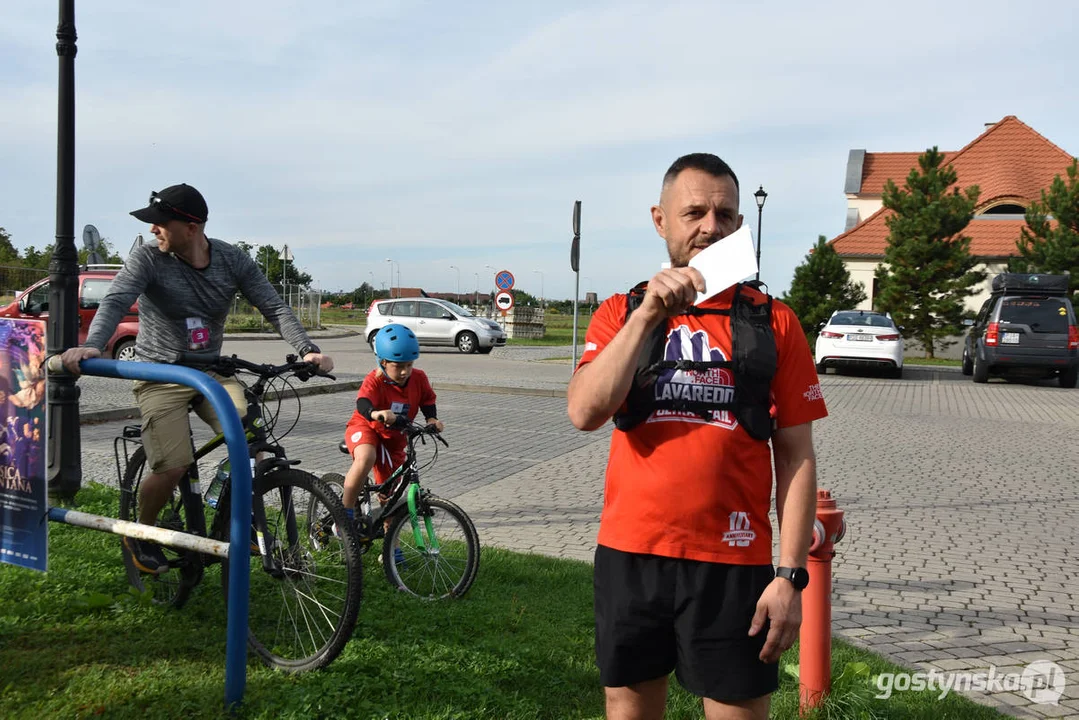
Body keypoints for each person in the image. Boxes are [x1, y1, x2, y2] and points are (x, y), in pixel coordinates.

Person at [566, 153, 828, 720]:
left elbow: (797, 456)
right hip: (632, 554)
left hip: (733, 561)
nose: (711, 225)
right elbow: (585, 412)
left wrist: (790, 576)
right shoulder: (620, 311)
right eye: (695, 212)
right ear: (661, 220)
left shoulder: (773, 322)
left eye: (726, 214)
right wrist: (647, 318)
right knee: (629, 707)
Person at [59, 183, 334, 575]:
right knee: (172, 466)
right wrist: (94, 344)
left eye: (160, 223)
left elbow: (273, 305)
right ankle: (141, 530)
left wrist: (308, 350)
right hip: (160, 375)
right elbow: (117, 300)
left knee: (251, 438)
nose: (154, 230)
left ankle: (239, 513)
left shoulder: (231, 259)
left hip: (209, 373)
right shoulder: (148, 258)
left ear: (192, 227)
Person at [340, 324, 443, 538]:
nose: (405, 371)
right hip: (365, 427)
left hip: (394, 438)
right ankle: (345, 512)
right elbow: (363, 403)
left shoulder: (419, 378)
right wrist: (376, 413)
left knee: (392, 495)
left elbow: (427, 400)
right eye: (398, 366)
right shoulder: (375, 380)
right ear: (383, 362)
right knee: (367, 456)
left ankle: (391, 549)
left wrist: (431, 418)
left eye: (409, 364)